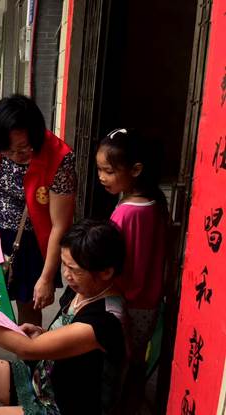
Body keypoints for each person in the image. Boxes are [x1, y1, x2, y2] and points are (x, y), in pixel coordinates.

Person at [0, 220, 129, 415]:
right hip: (43, 379)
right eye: (64, 264)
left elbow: (28, 349)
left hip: (64, 405)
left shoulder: (105, 320)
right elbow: (73, 338)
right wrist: (43, 333)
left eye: (74, 269)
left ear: (106, 272)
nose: (66, 275)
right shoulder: (84, 288)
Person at [0, 94, 76, 357]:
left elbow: (59, 225)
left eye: (23, 148)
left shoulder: (59, 157)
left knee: (30, 305)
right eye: (7, 151)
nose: (15, 156)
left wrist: (47, 277)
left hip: (34, 239)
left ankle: (27, 368)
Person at [96, 128, 168, 413]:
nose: (102, 177)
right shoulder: (155, 202)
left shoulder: (127, 212)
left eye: (109, 171)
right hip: (149, 302)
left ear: (136, 170)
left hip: (127, 300)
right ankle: (133, 405)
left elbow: (110, 258)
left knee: (118, 363)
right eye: (100, 170)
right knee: (136, 359)